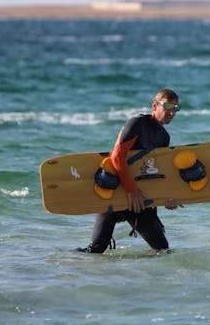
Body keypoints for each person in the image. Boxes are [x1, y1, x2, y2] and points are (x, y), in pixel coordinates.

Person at [77, 88, 184, 253]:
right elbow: (117, 157)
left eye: (175, 108)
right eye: (168, 106)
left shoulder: (164, 137)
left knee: (163, 250)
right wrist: (131, 191)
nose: (172, 112)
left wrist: (167, 198)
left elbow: (158, 173)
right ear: (155, 105)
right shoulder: (137, 124)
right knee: (95, 251)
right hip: (117, 195)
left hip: (139, 203)